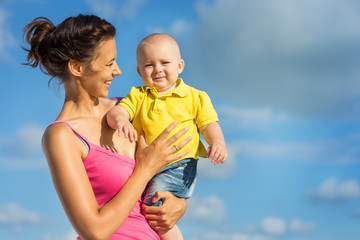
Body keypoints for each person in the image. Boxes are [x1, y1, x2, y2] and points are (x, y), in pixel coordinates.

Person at [23, 15, 191, 240]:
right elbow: (94, 231)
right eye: (109, 63)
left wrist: (179, 204)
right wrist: (145, 169)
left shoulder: (128, 108)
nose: (118, 71)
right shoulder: (62, 135)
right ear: (77, 68)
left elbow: (169, 171)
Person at [107, 33, 228, 239]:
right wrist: (121, 121)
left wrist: (217, 143)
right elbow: (116, 112)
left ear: (180, 66)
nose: (158, 70)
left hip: (177, 165)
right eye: (149, 65)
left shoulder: (195, 97)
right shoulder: (138, 95)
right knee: (135, 204)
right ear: (139, 71)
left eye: (164, 63)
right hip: (144, 165)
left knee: (154, 209)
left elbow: (209, 125)